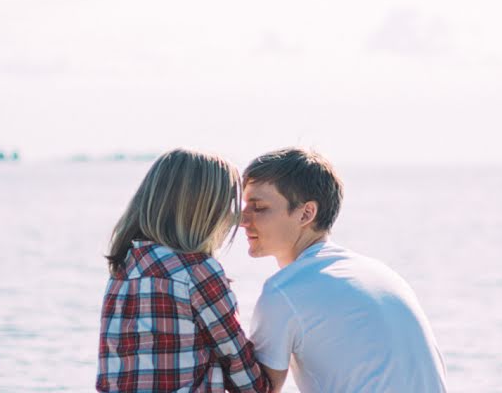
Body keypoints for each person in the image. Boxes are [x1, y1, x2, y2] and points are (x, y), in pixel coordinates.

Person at [240, 147, 447, 393]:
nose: (242, 219)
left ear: (306, 213)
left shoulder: (285, 290)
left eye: (259, 207)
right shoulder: (382, 274)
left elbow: (256, 390)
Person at [97, 148, 271, 393]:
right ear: (204, 211)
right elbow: (236, 361)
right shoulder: (198, 272)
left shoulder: (123, 269)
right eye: (228, 205)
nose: (237, 219)